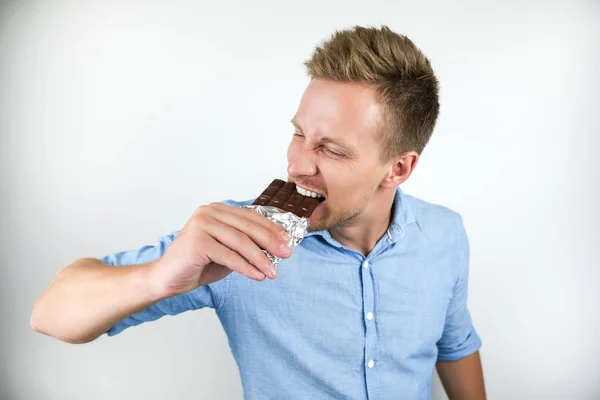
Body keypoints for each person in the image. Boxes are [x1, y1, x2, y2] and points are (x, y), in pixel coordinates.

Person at [31, 25, 486, 399]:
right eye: (298, 133)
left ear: (399, 168)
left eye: (330, 149)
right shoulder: (234, 242)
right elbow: (49, 316)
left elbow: (455, 344)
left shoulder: (445, 234)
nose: (296, 165)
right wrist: (158, 276)